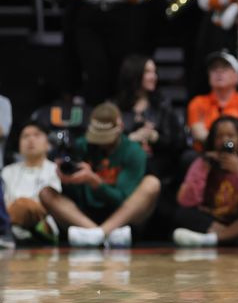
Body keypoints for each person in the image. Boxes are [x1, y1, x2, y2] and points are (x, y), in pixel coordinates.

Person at [38, 102, 161, 247]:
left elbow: (123, 201)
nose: (102, 142)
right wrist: (67, 178)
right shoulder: (81, 145)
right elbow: (74, 196)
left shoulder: (134, 151)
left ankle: (100, 234)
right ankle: (100, 235)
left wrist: (95, 182)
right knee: (46, 193)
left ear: (119, 128)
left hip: (121, 217)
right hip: (84, 216)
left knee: (152, 183)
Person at [173, 116, 238, 247]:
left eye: (231, 136)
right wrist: (203, 169)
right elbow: (186, 201)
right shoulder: (203, 162)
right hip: (214, 219)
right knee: (182, 213)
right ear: (212, 140)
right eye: (219, 137)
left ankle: (212, 239)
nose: (225, 140)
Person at [114, 55, 185, 184]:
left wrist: (155, 137)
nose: (154, 77)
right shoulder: (116, 107)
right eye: (148, 72)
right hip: (124, 162)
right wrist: (132, 139)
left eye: (154, 72)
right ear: (134, 74)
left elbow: (178, 142)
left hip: (156, 164)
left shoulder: (162, 105)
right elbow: (106, 142)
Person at [187, 51, 238, 147]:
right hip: (207, 152)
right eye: (214, 69)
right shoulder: (197, 102)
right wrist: (222, 145)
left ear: (237, 76)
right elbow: (197, 131)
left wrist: (230, 145)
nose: (219, 72)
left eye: (225, 68)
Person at [2, 121, 60, 244]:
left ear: (48, 144)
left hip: (42, 224)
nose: (30, 140)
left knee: (24, 205)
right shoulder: (7, 171)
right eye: (25, 136)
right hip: (10, 217)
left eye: (36, 135)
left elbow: (52, 204)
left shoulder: (56, 170)